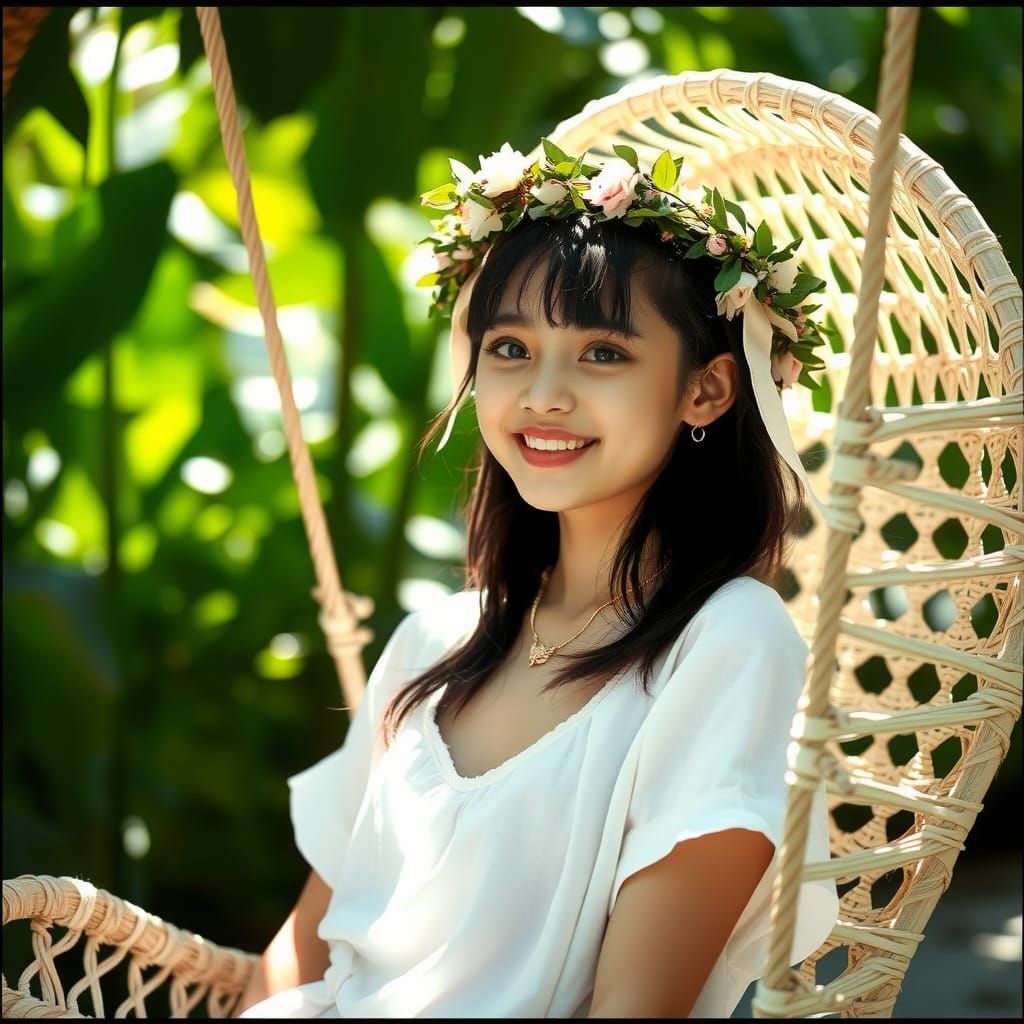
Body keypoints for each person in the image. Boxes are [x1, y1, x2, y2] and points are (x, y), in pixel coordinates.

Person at [234, 140, 839, 1018]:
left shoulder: (726, 640)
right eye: (510, 348)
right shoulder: (433, 640)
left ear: (707, 391)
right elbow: (295, 961)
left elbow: (639, 1007)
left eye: (601, 354)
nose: (542, 394)